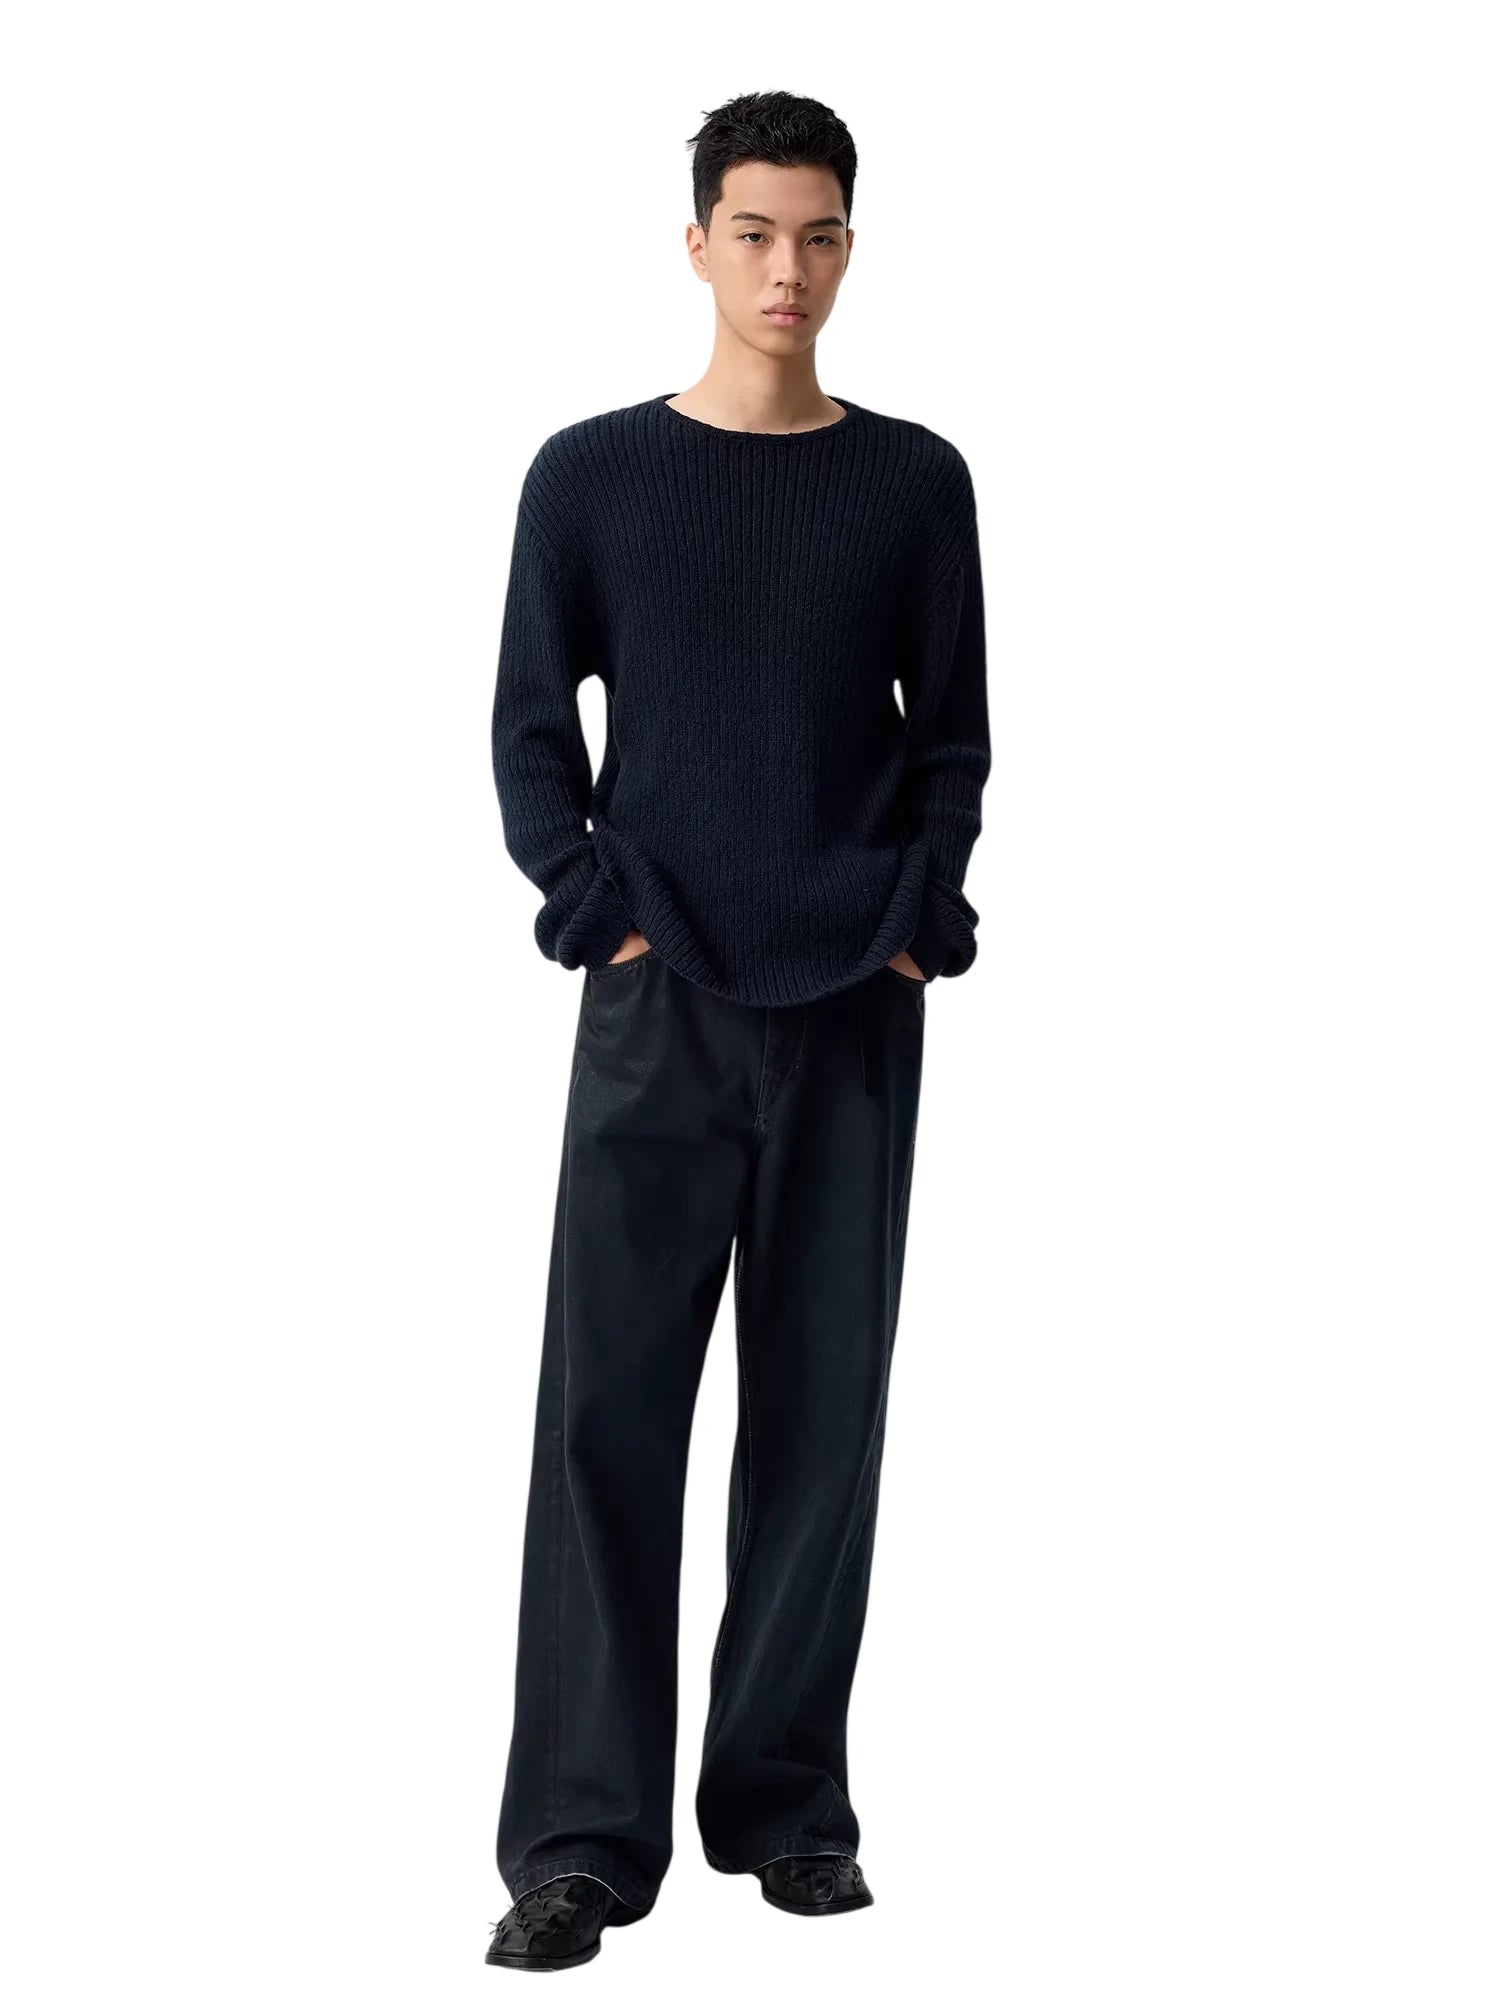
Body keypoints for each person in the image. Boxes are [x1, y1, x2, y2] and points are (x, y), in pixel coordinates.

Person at [484, 89, 991, 1971]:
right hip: (659, 1003)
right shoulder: (592, 475)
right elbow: (530, 729)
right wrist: (594, 911)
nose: (791, 270)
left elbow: (953, 737)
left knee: (823, 1419)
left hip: (853, 1002)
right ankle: (579, 1843)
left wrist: (918, 920)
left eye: (822, 235)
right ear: (696, 242)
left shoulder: (914, 481)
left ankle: (786, 1807)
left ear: (852, 248)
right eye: (759, 233)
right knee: (606, 1420)